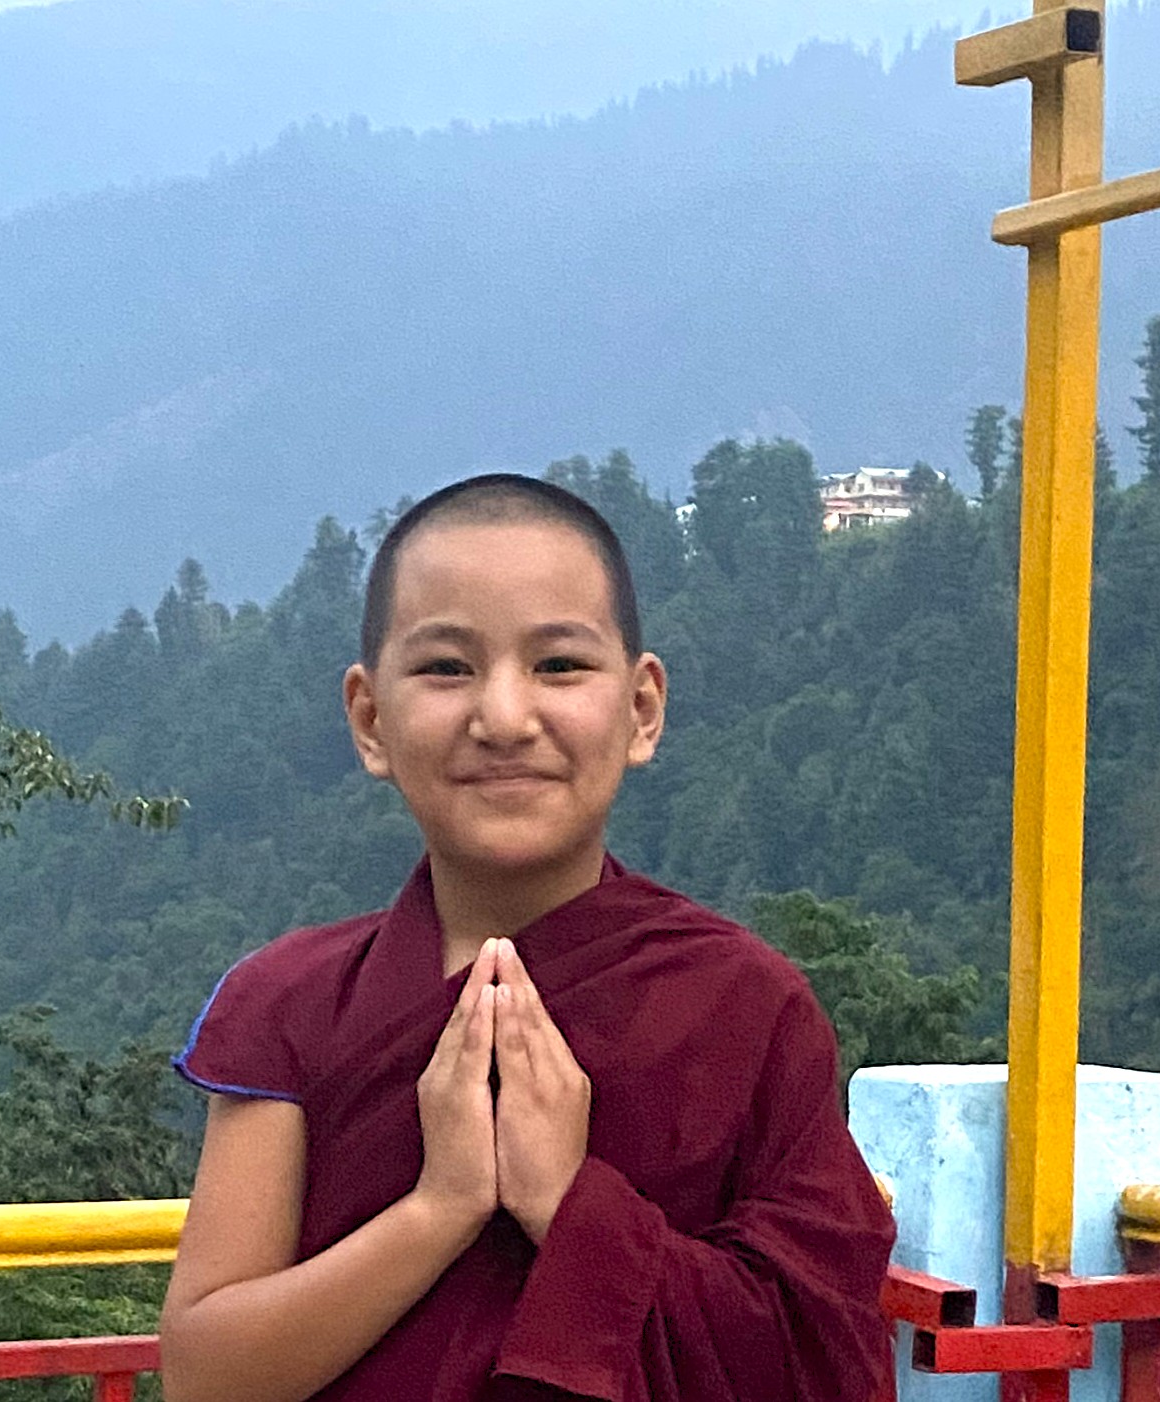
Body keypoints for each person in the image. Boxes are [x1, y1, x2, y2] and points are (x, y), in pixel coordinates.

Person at [160, 474, 895, 1402]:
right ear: (370, 720)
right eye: (446, 668)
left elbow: (815, 1354)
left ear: (641, 710)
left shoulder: (745, 1006)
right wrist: (441, 1208)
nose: (504, 719)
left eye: (558, 666)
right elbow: (206, 1376)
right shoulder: (288, 1003)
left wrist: (568, 1203)